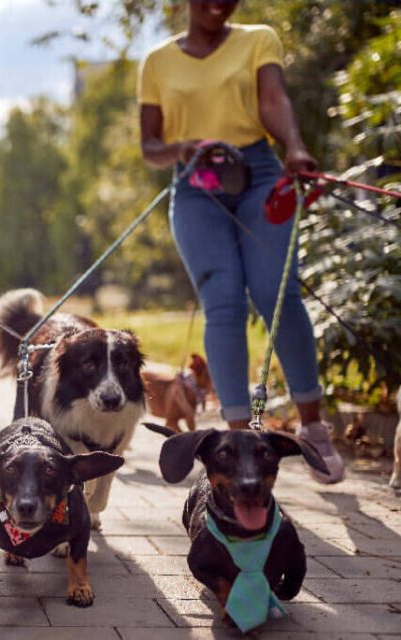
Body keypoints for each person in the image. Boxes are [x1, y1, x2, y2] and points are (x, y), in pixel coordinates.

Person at [138, 0, 344, 483]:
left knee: (277, 292)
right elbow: (149, 146)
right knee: (224, 303)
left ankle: (313, 427)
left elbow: (273, 101)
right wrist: (181, 148)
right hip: (196, 182)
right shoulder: (157, 61)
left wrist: (294, 146)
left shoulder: (258, 39)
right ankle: (238, 444)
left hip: (259, 173)